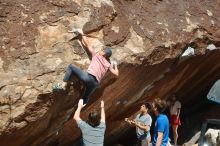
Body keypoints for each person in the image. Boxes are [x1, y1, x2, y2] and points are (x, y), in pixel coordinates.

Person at [53, 29, 119, 104]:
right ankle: (81, 107)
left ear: (104, 54)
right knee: (85, 98)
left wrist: (82, 33)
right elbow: (116, 73)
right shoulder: (108, 64)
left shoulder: (97, 56)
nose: (100, 50)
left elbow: (88, 45)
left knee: (71, 66)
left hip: (88, 77)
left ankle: (63, 85)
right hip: (94, 84)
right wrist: (115, 65)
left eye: (102, 50)